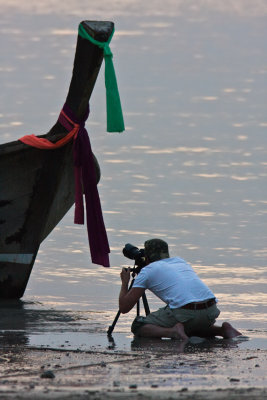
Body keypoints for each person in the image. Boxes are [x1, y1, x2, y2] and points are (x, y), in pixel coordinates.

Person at [119, 238, 241, 340]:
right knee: (190, 325)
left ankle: (173, 332)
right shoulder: (180, 261)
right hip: (210, 311)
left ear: (147, 257)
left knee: (138, 326)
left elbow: (124, 308)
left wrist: (125, 282)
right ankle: (222, 330)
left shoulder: (147, 271)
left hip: (187, 313)